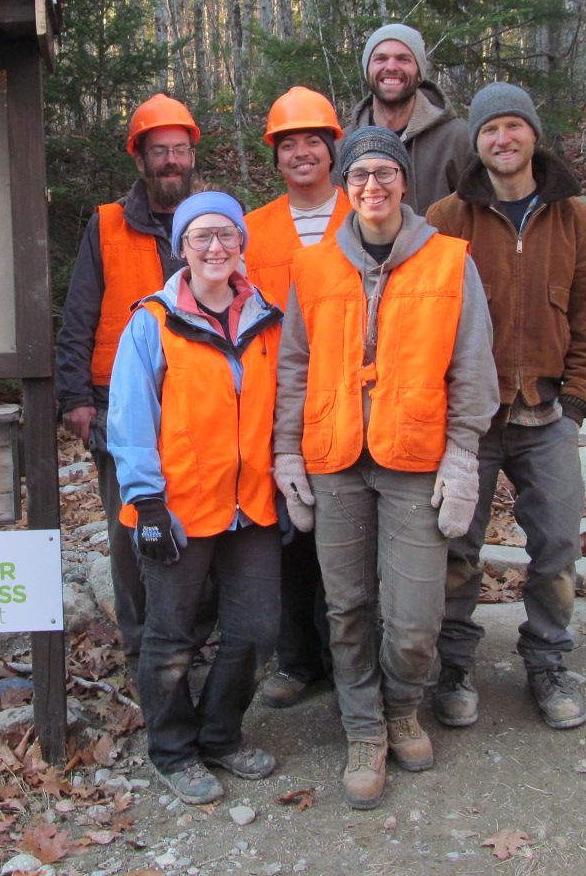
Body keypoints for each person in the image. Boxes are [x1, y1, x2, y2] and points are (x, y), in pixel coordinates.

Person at [273, 126, 498, 810]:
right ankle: (365, 729)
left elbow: (473, 367)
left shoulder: (449, 262)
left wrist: (462, 456)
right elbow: (293, 369)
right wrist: (287, 452)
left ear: (406, 182)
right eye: (360, 175)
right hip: (336, 461)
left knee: (413, 617)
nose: (373, 186)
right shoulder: (312, 270)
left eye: (385, 173)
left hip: (413, 460)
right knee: (346, 608)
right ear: (345, 188)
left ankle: (404, 708)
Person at [427, 83, 586, 731]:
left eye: (513, 126)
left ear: (533, 134)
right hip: (469, 418)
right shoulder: (448, 216)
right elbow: (425, 317)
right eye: (490, 130)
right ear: (475, 143)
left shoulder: (573, 217)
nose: (503, 139)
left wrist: (579, 402)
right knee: (456, 546)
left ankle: (548, 659)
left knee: (557, 540)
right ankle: (451, 666)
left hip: (546, 412)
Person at [108, 191, 283, 805]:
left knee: (257, 629)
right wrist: (146, 504)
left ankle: (221, 735)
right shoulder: (151, 321)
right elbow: (129, 418)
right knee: (172, 635)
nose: (215, 247)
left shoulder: (267, 315)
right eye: (201, 236)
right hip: (177, 508)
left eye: (227, 236)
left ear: (242, 244)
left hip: (252, 506)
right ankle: (173, 750)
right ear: (181, 246)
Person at [55, 93, 199, 677]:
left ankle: (193, 638)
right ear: (139, 159)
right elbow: (79, 315)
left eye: (179, 150)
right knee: (130, 531)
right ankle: (143, 650)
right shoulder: (107, 224)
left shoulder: (215, 221)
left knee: (202, 525)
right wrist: (75, 398)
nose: (170, 161)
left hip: (200, 404)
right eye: (158, 150)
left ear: (193, 155)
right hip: (118, 409)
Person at [243, 87, 348, 709]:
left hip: (350, 397)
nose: (302, 152)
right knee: (287, 536)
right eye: (289, 144)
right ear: (275, 156)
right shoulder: (252, 230)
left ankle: (350, 659)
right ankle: (297, 659)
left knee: (348, 535)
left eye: (313, 140)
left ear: (333, 148)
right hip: (276, 404)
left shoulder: (365, 212)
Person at [349, 23, 473, 213]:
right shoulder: (345, 144)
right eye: (380, 59)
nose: (391, 66)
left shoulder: (457, 139)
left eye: (403, 59)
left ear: (419, 72)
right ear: (367, 70)